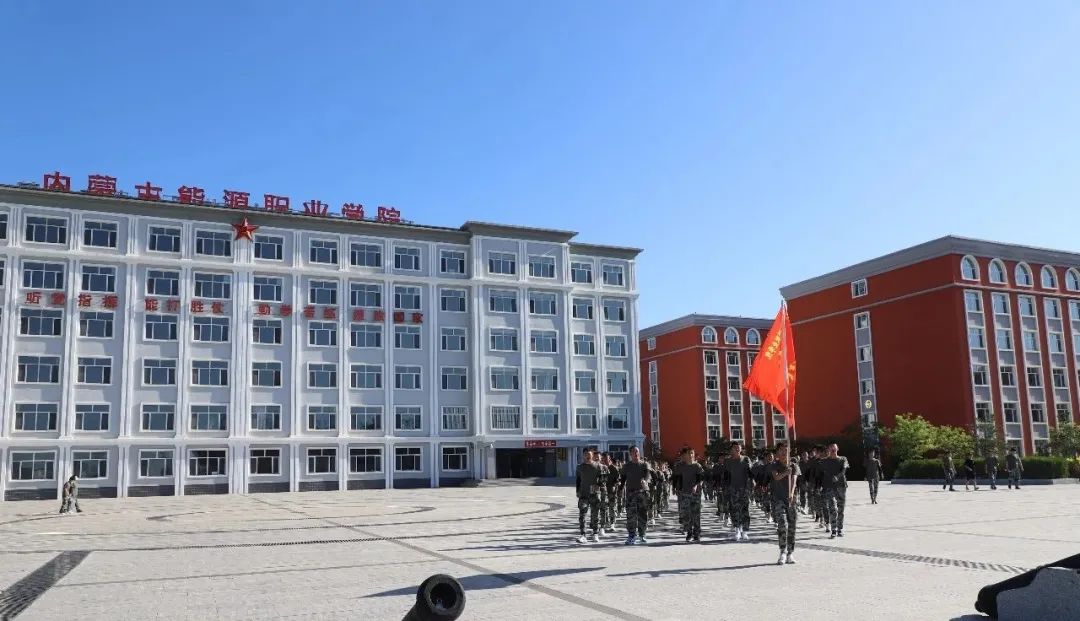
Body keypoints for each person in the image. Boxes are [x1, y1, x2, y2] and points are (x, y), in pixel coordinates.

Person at [769, 444, 800, 565]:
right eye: (781, 450)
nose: (784, 453)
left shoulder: (794, 466)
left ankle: (790, 553)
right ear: (777, 453)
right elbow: (776, 477)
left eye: (786, 450)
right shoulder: (774, 465)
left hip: (791, 500)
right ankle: (782, 551)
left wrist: (791, 494)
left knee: (792, 526)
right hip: (779, 499)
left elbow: (794, 481)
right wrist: (786, 473)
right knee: (782, 523)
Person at [620, 447, 653, 544]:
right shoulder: (627, 466)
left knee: (642, 515)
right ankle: (631, 536)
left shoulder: (644, 464)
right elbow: (623, 479)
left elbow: (647, 475)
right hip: (630, 494)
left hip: (642, 493)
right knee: (631, 516)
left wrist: (645, 480)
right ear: (630, 454)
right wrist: (620, 489)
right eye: (634, 452)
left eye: (637, 451)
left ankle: (642, 535)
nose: (636, 453)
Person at [673, 447, 705, 542]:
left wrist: (696, 485)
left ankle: (697, 533)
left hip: (696, 494)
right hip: (684, 493)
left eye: (692, 453)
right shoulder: (680, 466)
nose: (691, 455)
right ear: (685, 455)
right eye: (689, 453)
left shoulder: (697, 466)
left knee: (696, 514)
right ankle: (689, 532)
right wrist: (675, 488)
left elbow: (701, 478)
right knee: (686, 514)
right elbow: (676, 478)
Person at [723, 442, 753, 541]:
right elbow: (726, 476)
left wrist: (752, 483)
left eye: (739, 447)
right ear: (731, 450)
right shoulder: (728, 461)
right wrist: (725, 488)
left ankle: (745, 531)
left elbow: (750, 473)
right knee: (734, 510)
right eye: (735, 448)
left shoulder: (746, 459)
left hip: (744, 488)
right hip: (732, 488)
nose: (737, 449)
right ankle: (737, 530)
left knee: (744, 510)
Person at [819, 443, 849, 538]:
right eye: (831, 450)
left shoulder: (843, 459)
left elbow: (844, 470)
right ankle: (833, 530)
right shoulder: (824, 461)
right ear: (828, 450)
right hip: (829, 487)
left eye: (834, 450)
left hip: (841, 486)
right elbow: (819, 474)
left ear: (837, 449)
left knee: (841, 509)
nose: (833, 452)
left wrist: (837, 476)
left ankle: (840, 529)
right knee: (832, 508)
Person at [574, 450, 603, 543]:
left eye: (589, 454)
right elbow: (578, 480)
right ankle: (583, 535)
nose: (587, 456)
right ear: (583, 456)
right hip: (583, 494)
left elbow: (603, 478)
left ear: (592, 455)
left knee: (595, 515)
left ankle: (595, 533)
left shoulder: (598, 466)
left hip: (594, 494)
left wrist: (599, 484)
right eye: (585, 454)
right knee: (582, 515)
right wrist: (577, 491)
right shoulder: (580, 467)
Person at [602, 453, 620, 530]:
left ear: (609, 459)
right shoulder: (601, 468)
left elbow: (618, 480)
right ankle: (607, 522)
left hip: (612, 491)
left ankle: (612, 523)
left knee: (612, 507)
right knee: (604, 507)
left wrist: (615, 486)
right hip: (603, 491)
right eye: (603, 459)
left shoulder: (614, 468)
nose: (605, 461)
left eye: (606, 459)